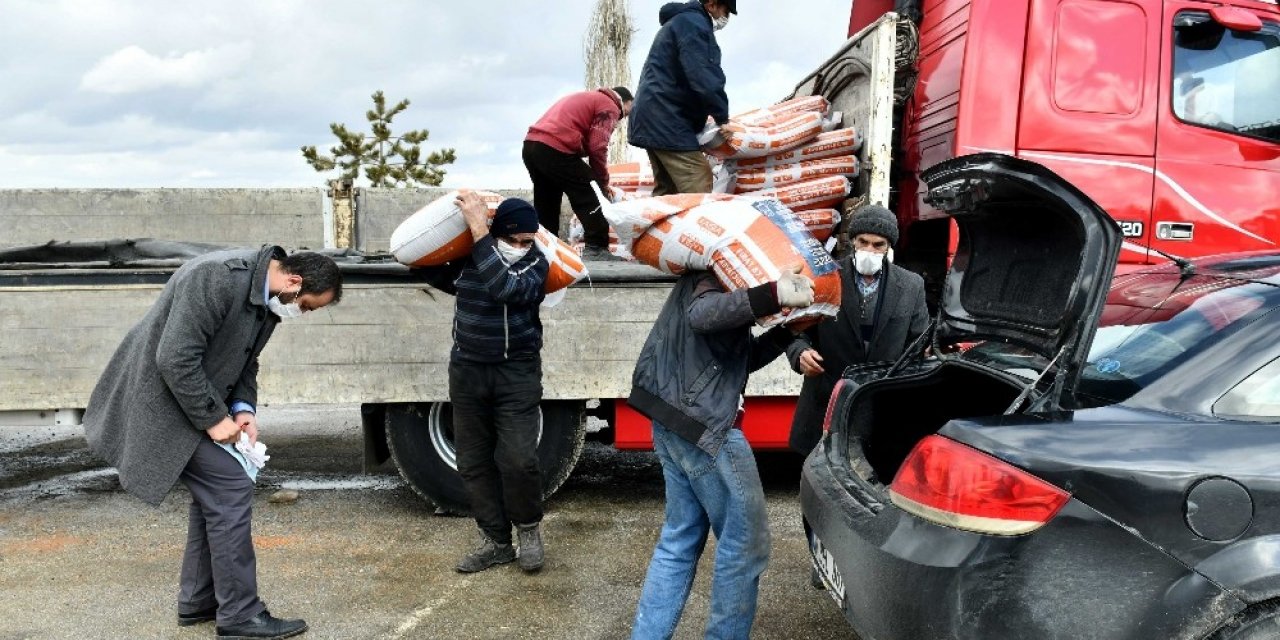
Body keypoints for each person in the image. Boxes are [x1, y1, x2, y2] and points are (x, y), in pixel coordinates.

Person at [82, 246, 343, 640]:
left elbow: (245, 359)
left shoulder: (265, 296)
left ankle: (200, 600)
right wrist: (214, 419)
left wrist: (242, 409)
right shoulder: (215, 278)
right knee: (229, 485)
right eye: (306, 306)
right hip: (158, 400)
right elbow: (174, 358)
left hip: (188, 399)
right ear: (294, 282)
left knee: (215, 494)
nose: (301, 313)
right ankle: (239, 614)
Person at [628, 264, 816, 639]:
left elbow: (738, 357)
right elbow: (703, 316)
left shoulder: (718, 276)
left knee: (679, 539)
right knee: (745, 546)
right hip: (705, 429)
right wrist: (774, 293)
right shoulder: (716, 271)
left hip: (671, 419)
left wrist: (787, 331)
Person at [418, 192, 551, 574]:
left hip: (517, 374)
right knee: (473, 461)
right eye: (514, 240)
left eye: (528, 241)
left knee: (518, 460)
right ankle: (496, 542)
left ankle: (528, 529)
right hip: (467, 372)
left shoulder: (535, 267)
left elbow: (503, 288)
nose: (521, 248)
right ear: (500, 236)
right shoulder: (470, 261)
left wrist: (479, 232)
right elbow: (426, 267)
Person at [786, 204, 929, 454]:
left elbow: (918, 343)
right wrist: (800, 354)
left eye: (878, 245)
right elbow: (796, 332)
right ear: (852, 240)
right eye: (863, 242)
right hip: (826, 400)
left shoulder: (911, 285)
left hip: (880, 407)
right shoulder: (825, 277)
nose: (869, 250)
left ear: (889, 247)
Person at [628, 0, 737, 196]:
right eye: (726, 11)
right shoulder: (695, 25)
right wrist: (722, 118)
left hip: (653, 115)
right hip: (666, 118)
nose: (726, 18)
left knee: (668, 190)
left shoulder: (680, 22)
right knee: (699, 178)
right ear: (712, 4)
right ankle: (695, 227)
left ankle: (661, 227)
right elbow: (704, 74)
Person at [523, 86, 634, 261]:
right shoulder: (610, 105)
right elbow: (597, 146)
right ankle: (596, 248)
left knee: (547, 202)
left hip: (532, 146)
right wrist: (602, 181)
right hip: (555, 148)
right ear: (626, 101)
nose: (624, 117)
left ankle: (544, 251)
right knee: (591, 194)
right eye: (628, 111)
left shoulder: (587, 97)